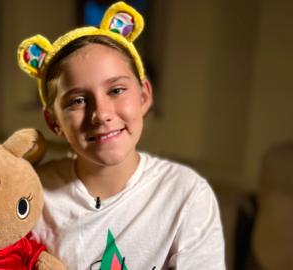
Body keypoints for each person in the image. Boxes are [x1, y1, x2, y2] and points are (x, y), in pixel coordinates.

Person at [17, 1, 225, 269]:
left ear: (144, 96)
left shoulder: (186, 194)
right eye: (78, 100)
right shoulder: (32, 195)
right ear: (53, 121)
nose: (101, 114)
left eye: (116, 90)